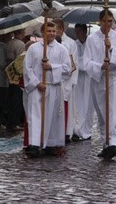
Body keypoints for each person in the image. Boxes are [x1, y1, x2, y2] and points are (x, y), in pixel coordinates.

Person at [83, 9, 116, 159]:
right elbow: (87, 62)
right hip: (99, 80)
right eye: (105, 21)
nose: (108, 24)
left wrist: (111, 49)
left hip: (114, 79)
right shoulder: (92, 39)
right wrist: (100, 66)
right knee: (103, 114)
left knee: (114, 112)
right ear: (100, 21)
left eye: (110, 21)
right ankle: (106, 143)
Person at [23, 21, 72, 157]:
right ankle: (34, 143)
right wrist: (37, 83)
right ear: (43, 32)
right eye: (48, 31)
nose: (51, 34)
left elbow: (68, 69)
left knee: (52, 116)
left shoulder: (62, 49)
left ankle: (50, 143)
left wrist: (52, 67)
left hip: (53, 86)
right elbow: (27, 68)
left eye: (53, 31)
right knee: (36, 116)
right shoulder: (34, 49)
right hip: (38, 88)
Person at [53, 18, 78, 143]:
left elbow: (73, 64)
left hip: (66, 80)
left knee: (66, 106)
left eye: (55, 30)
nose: (53, 32)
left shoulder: (70, 43)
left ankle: (66, 132)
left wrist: (72, 80)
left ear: (61, 29)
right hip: (53, 79)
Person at [73, 24, 93, 141]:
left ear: (85, 32)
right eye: (76, 32)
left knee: (88, 104)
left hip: (89, 77)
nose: (77, 34)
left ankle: (87, 129)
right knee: (78, 103)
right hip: (79, 78)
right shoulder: (74, 44)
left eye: (79, 32)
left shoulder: (90, 44)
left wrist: (84, 63)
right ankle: (77, 129)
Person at [6, 29, 26, 132]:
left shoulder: (9, 43)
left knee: (11, 99)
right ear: (21, 33)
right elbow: (21, 60)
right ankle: (15, 122)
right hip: (18, 75)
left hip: (10, 74)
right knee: (17, 100)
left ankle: (10, 122)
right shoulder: (20, 44)